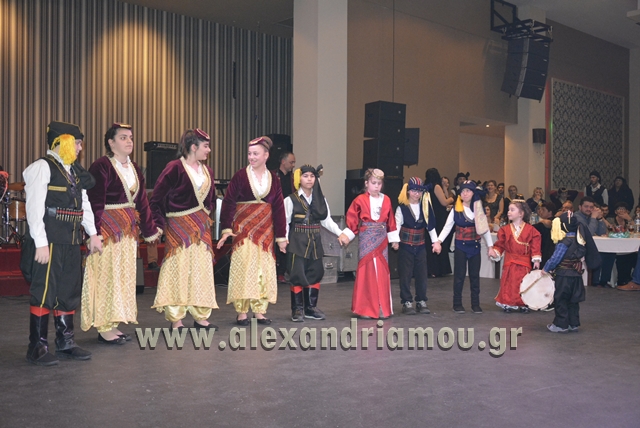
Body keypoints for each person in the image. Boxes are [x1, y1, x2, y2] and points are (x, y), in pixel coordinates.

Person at [21, 121, 102, 365]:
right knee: (44, 291)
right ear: (62, 141)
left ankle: (66, 342)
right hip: (50, 241)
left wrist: (93, 233)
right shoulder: (42, 167)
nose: (80, 148)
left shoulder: (74, 171)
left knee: (68, 291)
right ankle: (37, 346)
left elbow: (83, 204)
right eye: (77, 143)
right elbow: (34, 208)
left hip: (71, 240)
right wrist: (40, 242)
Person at [81, 123, 161, 344]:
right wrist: (94, 233)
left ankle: (114, 322)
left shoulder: (134, 168)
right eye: (123, 137)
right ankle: (104, 326)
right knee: (107, 277)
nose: (129, 141)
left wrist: (150, 230)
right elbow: (94, 201)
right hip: (108, 232)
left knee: (122, 278)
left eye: (131, 137)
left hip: (127, 233)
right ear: (111, 142)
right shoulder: (101, 166)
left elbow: (142, 201)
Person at [149, 129, 219, 330]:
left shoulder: (208, 171)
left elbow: (212, 199)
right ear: (193, 147)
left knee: (201, 270)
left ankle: (201, 316)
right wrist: (159, 225)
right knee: (178, 270)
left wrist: (205, 215)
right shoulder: (174, 168)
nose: (209, 150)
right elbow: (156, 199)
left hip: (202, 229)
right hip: (179, 229)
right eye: (206, 146)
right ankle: (176, 319)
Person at [217, 136, 287, 326]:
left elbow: (279, 208)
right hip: (243, 230)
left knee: (263, 270)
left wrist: (281, 237)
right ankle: (242, 312)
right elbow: (229, 203)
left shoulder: (274, 179)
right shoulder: (240, 176)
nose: (252, 157)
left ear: (266, 155)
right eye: (249, 154)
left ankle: (259, 311)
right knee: (244, 268)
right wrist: (226, 228)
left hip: (266, 232)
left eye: (255, 153)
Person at [284, 164, 346, 321]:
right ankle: (297, 309)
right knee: (297, 274)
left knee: (315, 272)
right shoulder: (290, 200)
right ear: (299, 178)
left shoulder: (320, 199)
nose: (309, 179)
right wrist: (283, 239)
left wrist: (340, 233)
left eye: (312, 176)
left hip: (315, 241)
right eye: (305, 176)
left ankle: (310, 308)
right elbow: (284, 222)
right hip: (297, 241)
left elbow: (326, 220)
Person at [340, 168, 399, 319]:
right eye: (373, 183)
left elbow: (391, 220)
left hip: (381, 240)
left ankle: (382, 307)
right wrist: (347, 234)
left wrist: (394, 239)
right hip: (366, 238)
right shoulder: (359, 200)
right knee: (367, 272)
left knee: (382, 271)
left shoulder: (386, 200)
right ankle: (365, 308)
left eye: (379, 183)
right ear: (366, 183)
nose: (377, 186)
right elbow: (352, 219)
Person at [433, 181, 495, 314]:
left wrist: (490, 247)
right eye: (462, 191)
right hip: (460, 246)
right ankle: (457, 303)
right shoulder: (456, 209)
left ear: (473, 193)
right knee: (459, 276)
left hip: (475, 246)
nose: (465, 193)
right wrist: (438, 241)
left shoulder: (479, 209)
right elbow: (447, 227)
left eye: (468, 191)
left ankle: (475, 304)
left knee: (474, 276)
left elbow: (485, 230)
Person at [543, 211, 601, 333]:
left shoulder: (564, 242)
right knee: (573, 300)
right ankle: (573, 323)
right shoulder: (581, 240)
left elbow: (555, 259)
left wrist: (545, 269)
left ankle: (561, 324)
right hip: (576, 275)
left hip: (563, 276)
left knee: (561, 299)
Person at [394, 177, 437, 315]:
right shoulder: (402, 208)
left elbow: (430, 226)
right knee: (405, 275)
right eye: (413, 191)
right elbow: (396, 225)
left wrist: (436, 242)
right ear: (408, 191)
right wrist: (395, 240)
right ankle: (406, 302)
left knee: (422, 274)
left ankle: (421, 300)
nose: (416, 194)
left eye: (419, 191)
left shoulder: (425, 207)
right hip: (405, 246)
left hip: (420, 246)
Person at [489, 200, 542, 312]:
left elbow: (535, 246)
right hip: (510, 261)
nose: (509, 212)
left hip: (524, 263)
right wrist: (495, 252)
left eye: (512, 210)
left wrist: (536, 260)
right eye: (509, 210)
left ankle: (524, 303)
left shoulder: (531, 230)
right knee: (509, 283)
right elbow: (500, 245)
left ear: (521, 213)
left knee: (523, 283)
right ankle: (508, 303)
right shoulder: (504, 230)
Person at [423, 168, 454, 278]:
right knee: (440, 242)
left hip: (430, 216)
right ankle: (440, 268)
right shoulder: (436, 186)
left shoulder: (426, 187)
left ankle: (431, 269)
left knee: (430, 243)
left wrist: (444, 188)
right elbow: (444, 202)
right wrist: (452, 199)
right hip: (439, 218)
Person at [274, 151, 296, 283]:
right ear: (283, 162)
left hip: (290, 214)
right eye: (291, 162)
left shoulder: (293, 179)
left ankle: (283, 271)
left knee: (287, 241)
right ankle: (275, 271)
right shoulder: (273, 176)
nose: (293, 165)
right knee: (276, 242)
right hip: (276, 212)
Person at [533, 201, 557, 267]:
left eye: (543, 210)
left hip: (545, 251)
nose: (541, 212)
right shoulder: (556, 221)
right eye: (540, 209)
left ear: (550, 212)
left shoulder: (543, 224)